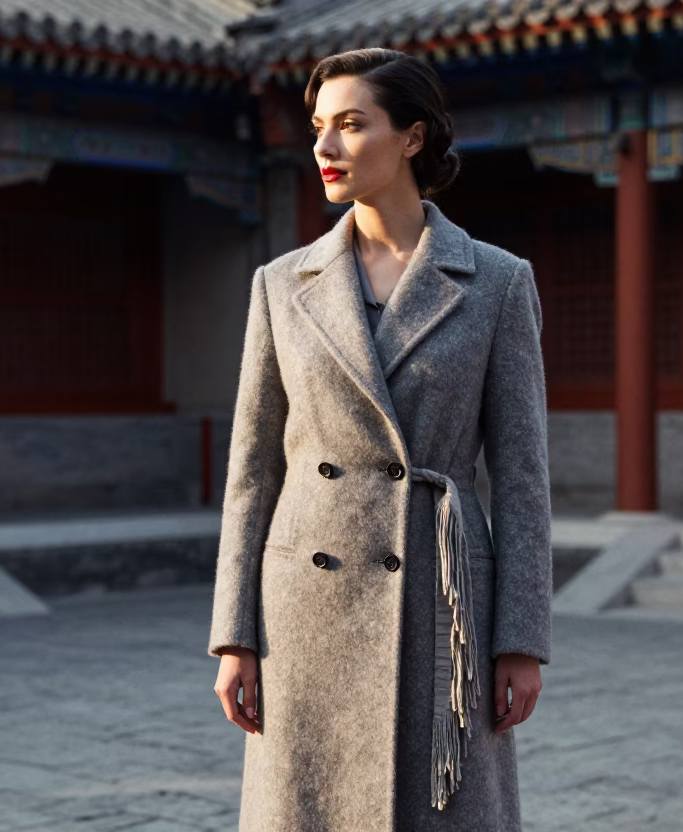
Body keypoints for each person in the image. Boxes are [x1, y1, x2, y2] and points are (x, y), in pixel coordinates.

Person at [207, 47, 553, 832]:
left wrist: (522, 639)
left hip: (443, 599)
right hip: (306, 607)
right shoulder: (281, 284)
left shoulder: (496, 282)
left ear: (411, 138)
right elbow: (252, 473)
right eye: (319, 127)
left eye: (352, 125)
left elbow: (524, 475)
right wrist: (234, 635)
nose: (325, 147)